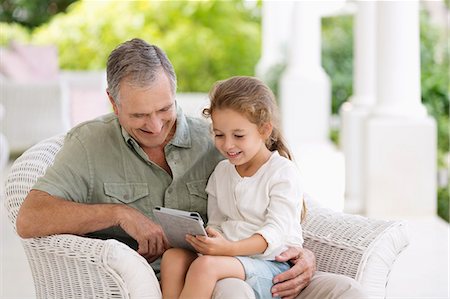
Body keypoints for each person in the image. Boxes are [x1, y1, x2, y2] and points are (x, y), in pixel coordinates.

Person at [16, 38, 366, 299]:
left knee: (346, 290)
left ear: (175, 90)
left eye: (164, 109)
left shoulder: (216, 140)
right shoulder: (89, 145)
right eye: (139, 115)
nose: (155, 125)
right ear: (112, 101)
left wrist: (301, 253)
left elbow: (280, 203)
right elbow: (30, 219)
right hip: (171, 280)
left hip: (244, 263)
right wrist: (118, 214)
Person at [160, 76, 305, 299]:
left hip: (272, 265)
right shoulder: (221, 172)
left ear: (265, 130)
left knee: (205, 267)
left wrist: (227, 249)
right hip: (229, 259)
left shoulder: (281, 171)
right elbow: (218, 222)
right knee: (173, 258)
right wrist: (208, 239)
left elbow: (275, 233)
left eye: (238, 135)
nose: (227, 145)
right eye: (219, 135)